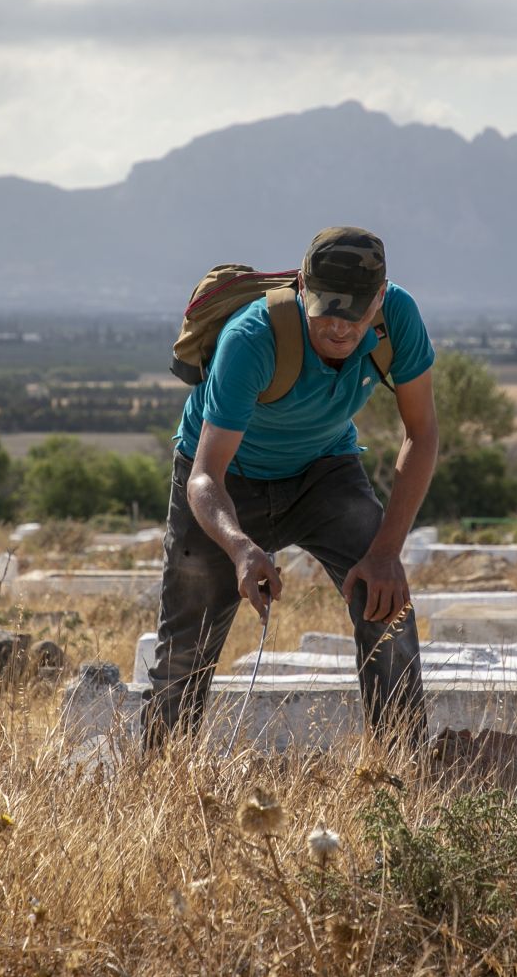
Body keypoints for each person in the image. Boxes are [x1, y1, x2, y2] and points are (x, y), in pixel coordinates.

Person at [142, 226, 439, 752]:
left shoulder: (399, 317)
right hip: (226, 483)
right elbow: (205, 476)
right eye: (325, 308)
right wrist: (239, 548)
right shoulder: (251, 338)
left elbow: (422, 433)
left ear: (380, 297)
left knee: (386, 601)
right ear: (302, 286)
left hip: (323, 470)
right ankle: (161, 778)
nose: (341, 327)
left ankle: (405, 771)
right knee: (185, 645)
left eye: (356, 312)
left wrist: (387, 551)